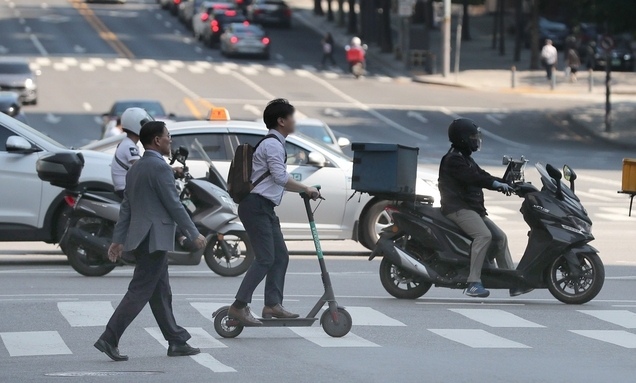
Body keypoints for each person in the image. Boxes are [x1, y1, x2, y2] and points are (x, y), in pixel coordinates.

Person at [94, 121, 207, 362]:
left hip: (143, 237)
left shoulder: (136, 168)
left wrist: (118, 239)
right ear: (157, 140)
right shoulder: (160, 168)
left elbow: (126, 208)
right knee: (140, 291)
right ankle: (109, 337)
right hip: (154, 238)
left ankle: (176, 340)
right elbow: (173, 204)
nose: (170, 141)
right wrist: (192, 232)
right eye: (168, 136)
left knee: (160, 291)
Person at [228, 99, 320, 326]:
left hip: (264, 207)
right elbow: (280, 178)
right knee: (266, 258)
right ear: (281, 121)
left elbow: (276, 180)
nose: (294, 121)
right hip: (255, 206)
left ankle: (272, 304)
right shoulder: (272, 145)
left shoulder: (275, 144)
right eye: (291, 117)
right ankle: (239, 306)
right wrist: (305, 188)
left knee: (280, 256)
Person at [438, 118, 530, 298]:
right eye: (472, 136)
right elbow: (473, 178)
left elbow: (481, 175)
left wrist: (506, 183)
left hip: (471, 209)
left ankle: (512, 280)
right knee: (483, 235)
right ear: (462, 138)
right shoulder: (453, 160)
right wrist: (495, 184)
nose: (476, 140)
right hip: (457, 208)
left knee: (500, 238)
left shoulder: (465, 158)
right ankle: (473, 282)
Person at [111, 108, 150, 200]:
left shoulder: (128, 143)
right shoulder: (129, 146)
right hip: (125, 190)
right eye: (144, 124)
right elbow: (141, 166)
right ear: (136, 125)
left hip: (126, 188)